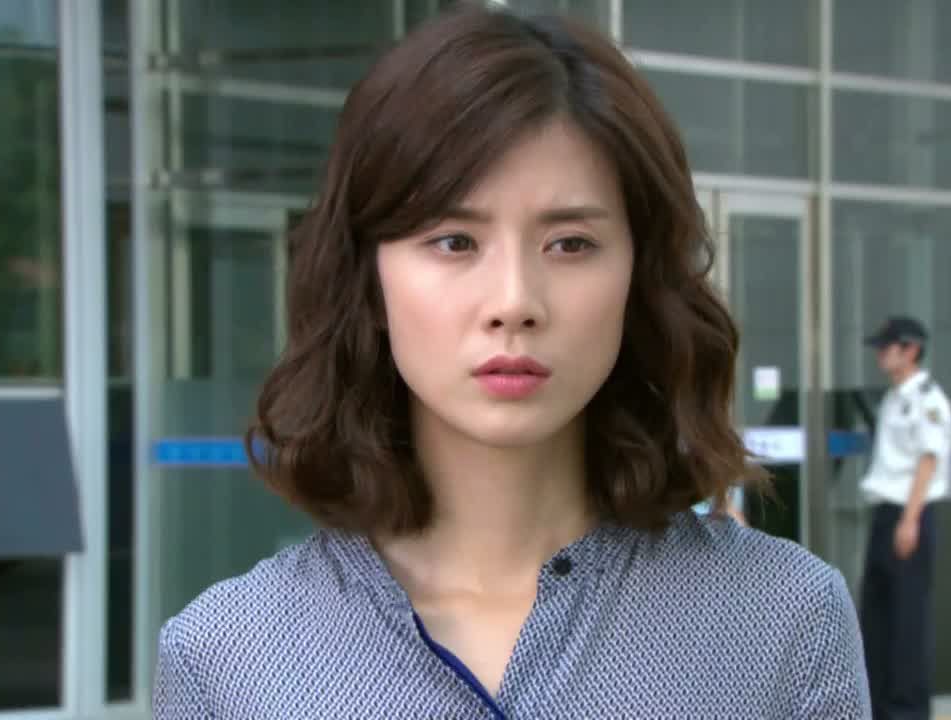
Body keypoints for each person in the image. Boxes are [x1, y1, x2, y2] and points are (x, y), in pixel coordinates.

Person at [153, 5, 870, 718]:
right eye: (455, 242)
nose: (514, 301)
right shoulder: (228, 657)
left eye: (570, 244)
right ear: (367, 277)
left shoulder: (783, 621)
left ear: (640, 276)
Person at [858, 315, 951, 720]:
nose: (880, 355)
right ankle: (879, 706)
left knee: (907, 619)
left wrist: (910, 520)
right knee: (878, 616)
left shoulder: (927, 399)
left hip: (909, 513)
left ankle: (907, 710)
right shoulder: (893, 397)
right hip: (886, 512)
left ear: (911, 349)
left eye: (887, 347)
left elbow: (928, 462)